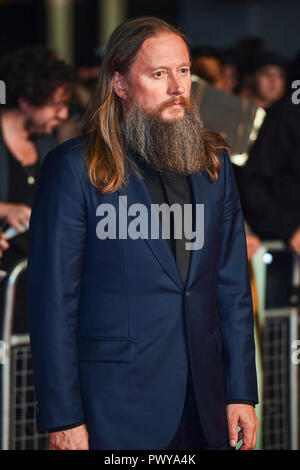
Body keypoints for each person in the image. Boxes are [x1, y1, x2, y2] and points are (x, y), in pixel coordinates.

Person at [27, 17, 258, 451]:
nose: (178, 87)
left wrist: (240, 391)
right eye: (159, 74)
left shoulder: (214, 166)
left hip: (205, 404)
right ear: (120, 84)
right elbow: (53, 302)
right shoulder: (75, 169)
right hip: (115, 406)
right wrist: (63, 417)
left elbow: (232, 288)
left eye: (184, 71)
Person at [0, 46, 75, 332]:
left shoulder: (48, 146)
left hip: (40, 288)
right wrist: (5, 209)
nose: (63, 114)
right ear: (28, 102)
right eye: (56, 106)